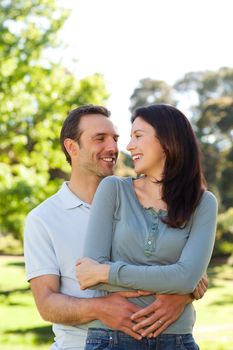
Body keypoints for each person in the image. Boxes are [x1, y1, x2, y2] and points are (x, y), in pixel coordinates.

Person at [24, 104, 207, 350]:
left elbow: (187, 275)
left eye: (115, 139)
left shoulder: (135, 198)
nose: (114, 148)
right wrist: (100, 307)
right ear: (72, 147)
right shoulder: (43, 219)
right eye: (100, 139)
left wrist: (182, 291)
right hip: (83, 343)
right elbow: (46, 304)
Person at [76, 104, 218, 350]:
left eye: (138, 136)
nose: (129, 146)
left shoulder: (203, 203)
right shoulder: (113, 189)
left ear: (167, 141)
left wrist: (108, 272)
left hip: (176, 341)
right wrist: (176, 283)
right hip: (111, 340)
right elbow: (90, 275)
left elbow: (186, 278)